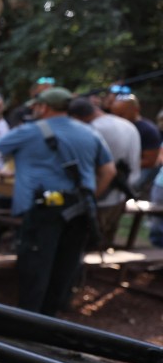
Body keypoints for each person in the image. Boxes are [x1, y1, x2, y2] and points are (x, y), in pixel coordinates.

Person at [0, 87, 114, 316]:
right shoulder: (90, 132)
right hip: (80, 209)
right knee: (67, 264)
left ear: (44, 107)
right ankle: (52, 320)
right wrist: (91, 196)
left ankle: (28, 320)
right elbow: (108, 171)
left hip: (46, 208)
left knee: (36, 263)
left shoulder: (31, 131)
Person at [69, 96, 140, 250]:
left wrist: (93, 196)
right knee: (105, 240)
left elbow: (103, 170)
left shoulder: (93, 129)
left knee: (86, 244)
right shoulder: (127, 125)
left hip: (99, 194)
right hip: (121, 194)